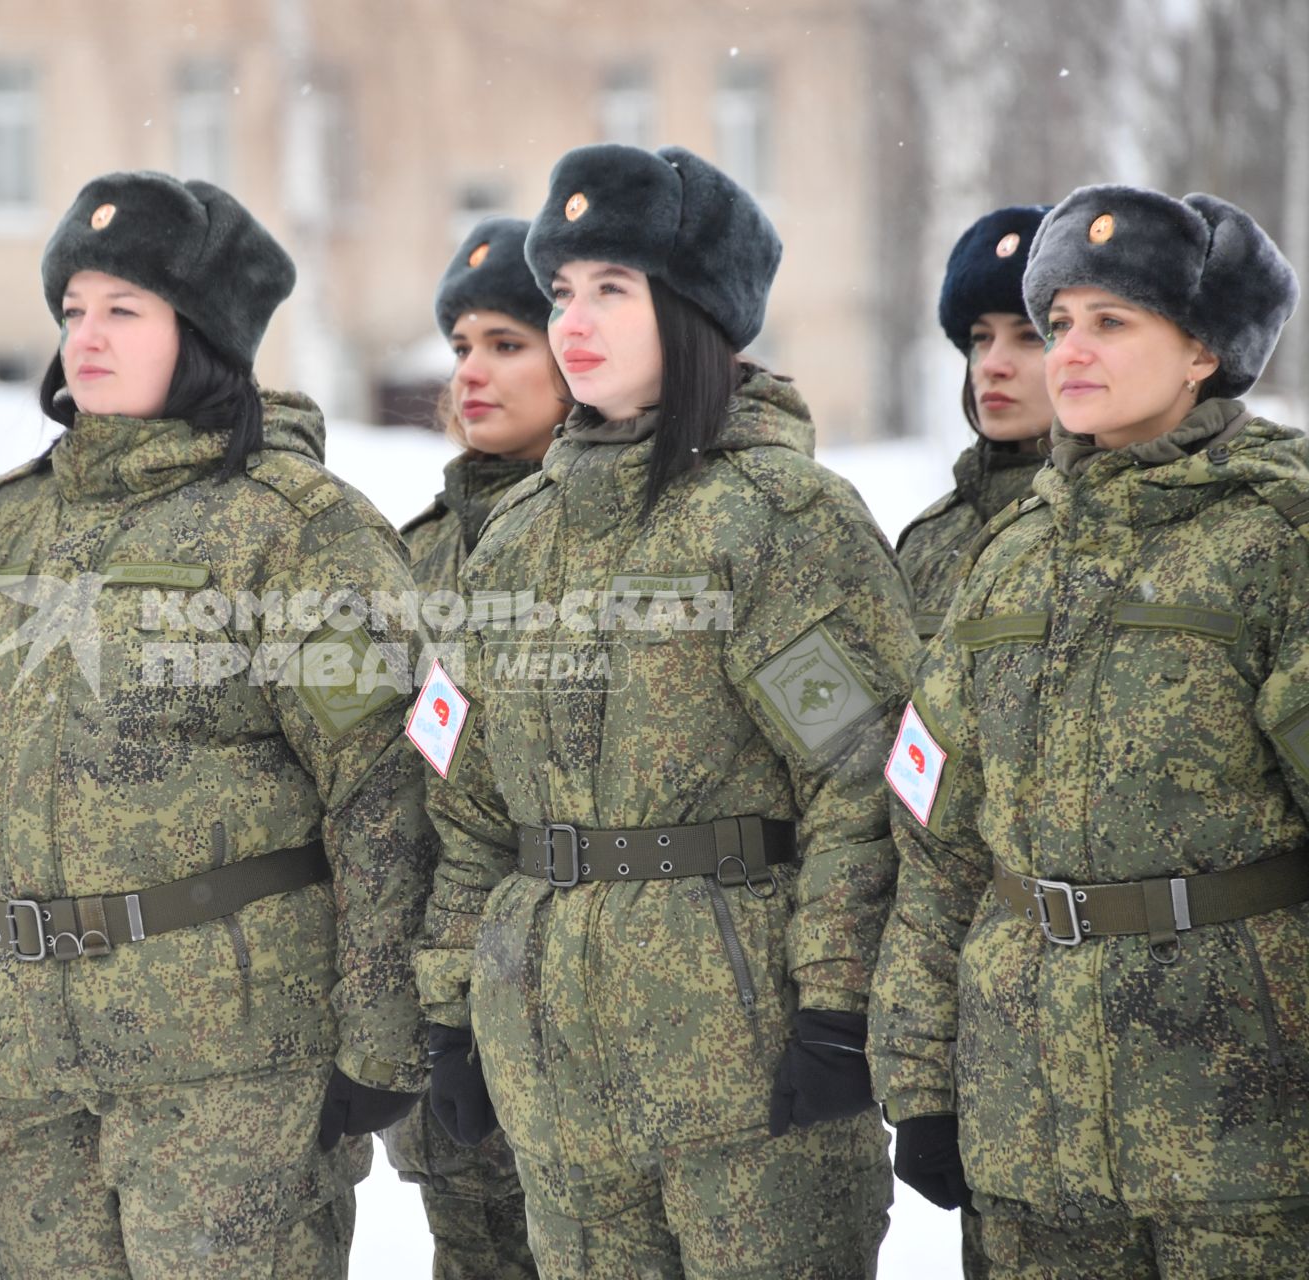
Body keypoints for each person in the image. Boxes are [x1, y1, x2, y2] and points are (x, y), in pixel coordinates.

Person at [0, 170, 434, 1277]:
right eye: (73, 310)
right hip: (22, 1054)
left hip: (228, 1066)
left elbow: (383, 790)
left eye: (123, 310)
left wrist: (380, 1034)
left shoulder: (291, 533)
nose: (86, 336)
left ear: (207, 334)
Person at [412, 143, 916, 1279]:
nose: (573, 320)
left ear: (689, 308)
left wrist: (835, 1008)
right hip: (561, 1092)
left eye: (612, 289)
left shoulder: (776, 522)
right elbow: (472, 806)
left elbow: (856, 777)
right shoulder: (523, 534)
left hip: (746, 1086)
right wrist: (454, 1003)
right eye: (562, 291)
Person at [869, 184, 1308, 1278]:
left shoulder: (1278, 541)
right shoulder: (1012, 554)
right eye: (1058, 321)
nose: (1068, 349)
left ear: (1203, 347)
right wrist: (922, 1078)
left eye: (1112, 321)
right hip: (1030, 1125)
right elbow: (934, 836)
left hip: (1239, 1127)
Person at [386, 215, 560, 1280]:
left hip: (584, 993)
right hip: (447, 1001)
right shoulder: (419, 551)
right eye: (460, 348)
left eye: (508, 343)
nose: (473, 374)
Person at [898, 206, 1054, 643]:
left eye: (1029, 336)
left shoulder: (1123, 520)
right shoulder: (930, 540)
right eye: (980, 338)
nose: (991, 365)